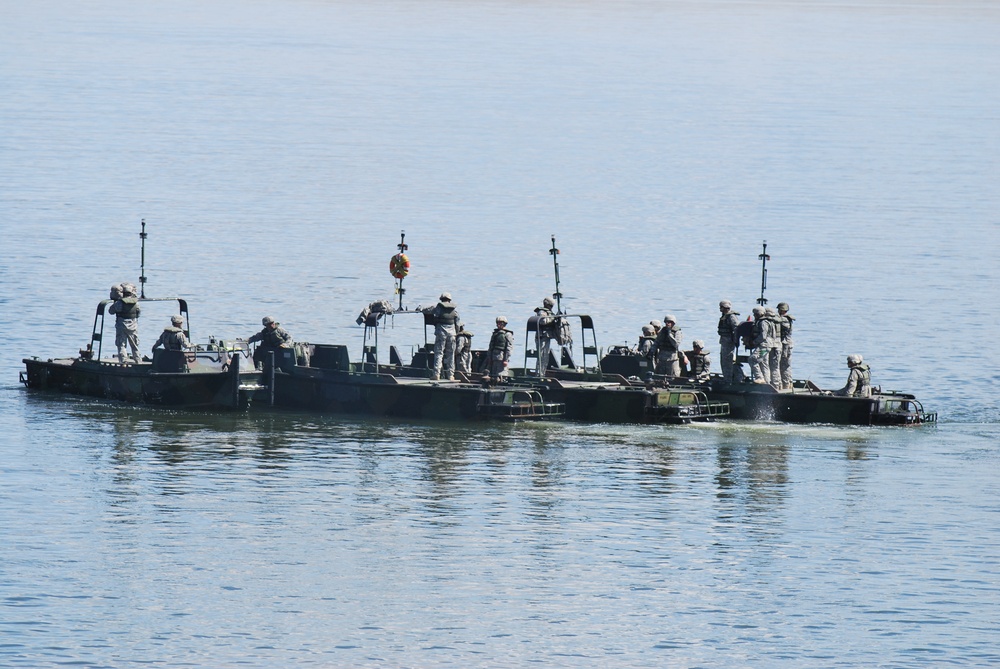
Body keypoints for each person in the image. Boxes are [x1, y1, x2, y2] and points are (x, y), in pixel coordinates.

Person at [422, 293, 460, 380]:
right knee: (451, 355)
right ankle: (451, 375)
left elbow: (428, 311)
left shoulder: (438, 308)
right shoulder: (454, 311)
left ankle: (436, 374)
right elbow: (457, 324)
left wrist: (421, 309)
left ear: (441, 299)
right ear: (450, 300)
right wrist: (456, 333)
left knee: (439, 353)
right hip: (452, 334)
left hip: (441, 333)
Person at [108, 283, 141, 364]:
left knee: (121, 344)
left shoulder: (119, 303)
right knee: (134, 345)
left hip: (121, 326)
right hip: (133, 326)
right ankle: (138, 361)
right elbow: (138, 313)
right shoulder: (136, 303)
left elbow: (111, 311)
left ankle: (123, 362)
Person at [717, 300, 740, 383]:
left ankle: (728, 380)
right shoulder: (725, 316)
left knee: (727, 362)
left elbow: (736, 328)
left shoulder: (731, 317)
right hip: (724, 341)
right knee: (723, 361)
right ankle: (726, 378)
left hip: (729, 342)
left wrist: (735, 340)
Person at [486, 316, 514, 381]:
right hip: (493, 356)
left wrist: (506, 359)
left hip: (501, 357)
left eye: (500, 323)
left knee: (501, 373)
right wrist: (489, 357)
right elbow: (491, 346)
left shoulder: (508, 334)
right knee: (493, 373)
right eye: (498, 323)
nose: (499, 325)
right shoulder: (495, 334)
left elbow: (509, 348)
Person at [534, 297, 557, 373]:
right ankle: (539, 374)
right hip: (541, 337)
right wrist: (553, 318)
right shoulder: (542, 312)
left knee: (545, 356)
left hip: (546, 337)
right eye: (550, 306)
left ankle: (542, 373)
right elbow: (543, 321)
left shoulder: (549, 312)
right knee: (541, 356)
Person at [776, 302, 795, 389]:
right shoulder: (784, 319)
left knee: (784, 365)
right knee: (783, 365)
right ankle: (787, 383)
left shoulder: (785, 320)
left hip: (785, 344)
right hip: (785, 344)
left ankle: (786, 384)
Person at [764, 307, 782, 388]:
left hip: (769, 346)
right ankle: (778, 384)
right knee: (775, 366)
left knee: (766, 364)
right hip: (778, 345)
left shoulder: (767, 322)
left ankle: (771, 384)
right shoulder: (778, 321)